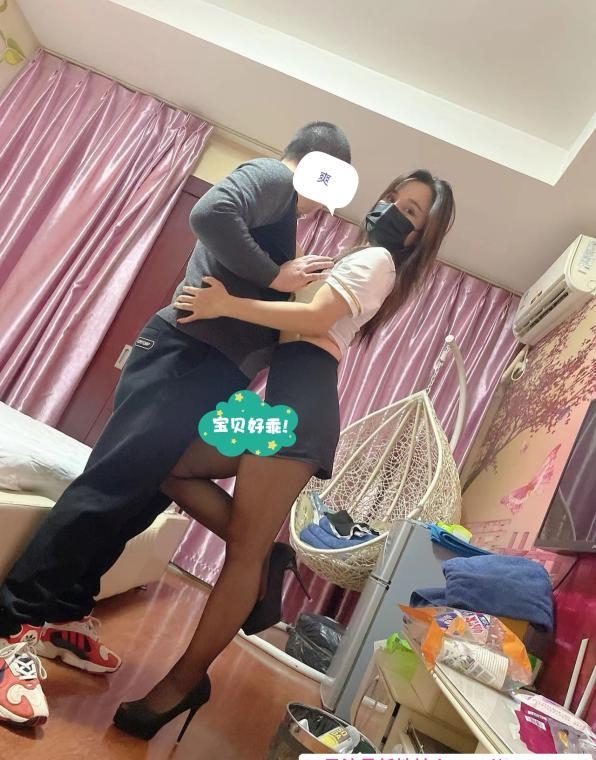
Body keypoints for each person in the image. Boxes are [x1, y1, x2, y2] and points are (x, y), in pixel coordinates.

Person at [0, 122, 352, 728]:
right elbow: (210, 212)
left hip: (207, 369)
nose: (321, 205)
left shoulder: (282, 213)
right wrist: (276, 278)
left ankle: (65, 611)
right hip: (185, 355)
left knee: (140, 499)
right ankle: (14, 625)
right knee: (110, 488)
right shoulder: (275, 177)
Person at [113, 169, 455, 741]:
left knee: (235, 556)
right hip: (280, 406)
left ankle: (184, 681)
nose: (392, 208)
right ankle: (265, 558)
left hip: (302, 411)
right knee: (173, 463)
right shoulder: (355, 258)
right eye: (393, 196)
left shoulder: (379, 262)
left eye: (411, 210)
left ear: (419, 236)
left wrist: (227, 304)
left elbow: (315, 320)